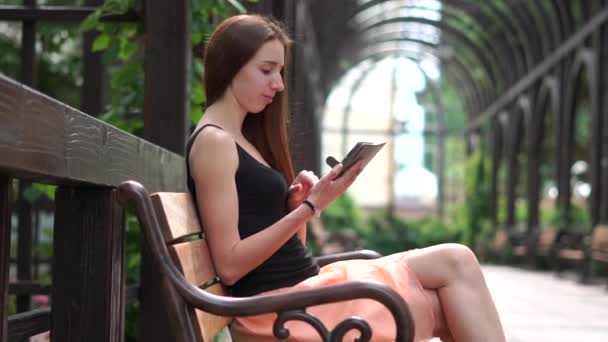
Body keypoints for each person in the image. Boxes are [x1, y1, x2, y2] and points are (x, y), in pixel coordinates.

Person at [186, 14, 506, 342]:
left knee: (457, 262)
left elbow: (285, 254)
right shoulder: (215, 142)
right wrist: (310, 206)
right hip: (280, 312)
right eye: (267, 70)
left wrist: (298, 209)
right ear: (230, 65)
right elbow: (230, 266)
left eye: (280, 72)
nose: (279, 84)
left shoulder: (239, 140)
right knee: (452, 292)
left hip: (300, 295)